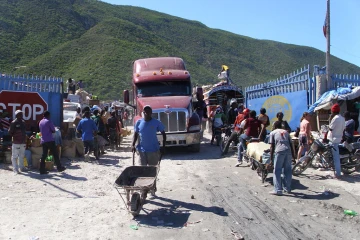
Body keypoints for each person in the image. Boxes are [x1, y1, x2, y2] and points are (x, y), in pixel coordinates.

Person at [132, 105, 166, 196]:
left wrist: (163, 146)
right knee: (142, 171)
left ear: (151, 113)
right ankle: (143, 189)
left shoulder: (156, 122)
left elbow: (163, 133)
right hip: (142, 150)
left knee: (152, 171)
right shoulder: (139, 122)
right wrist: (133, 145)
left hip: (153, 150)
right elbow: (135, 134)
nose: (146, 113)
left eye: (148, 112)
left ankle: (152, 188)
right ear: (143, 112)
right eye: (145, 112)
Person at [268, 121, 296, 195]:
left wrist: (271, 159)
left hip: (279, 151)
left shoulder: (273, 133)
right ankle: (287, 188)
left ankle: (277, 190)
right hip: (288, 151)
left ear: (274, 126)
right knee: (287, 170)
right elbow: (291, 144)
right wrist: (294, 157)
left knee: (277, 170)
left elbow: (272, 146)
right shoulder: (286, 132)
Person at [328, 104, 345, 178]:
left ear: (333, 111)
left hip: (333, 139)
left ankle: (338, 174)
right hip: (339, 138)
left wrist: (330, 119)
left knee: (336, 157)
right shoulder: (342, 118)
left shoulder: (335, 118)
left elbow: (330, 128)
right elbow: (343, 128)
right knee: (335, 156)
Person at [9, 110, 27, 174]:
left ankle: (21, 168)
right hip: (16, 142)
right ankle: (15, 169)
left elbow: (24, 131)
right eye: (19, 114)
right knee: (14, 156)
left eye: (21, 114)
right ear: (16, 115)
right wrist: (15, 136)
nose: (21, 115)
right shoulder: (13, 123)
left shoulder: (23, 122)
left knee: (21, 155)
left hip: (22, 142)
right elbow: (10, 132)